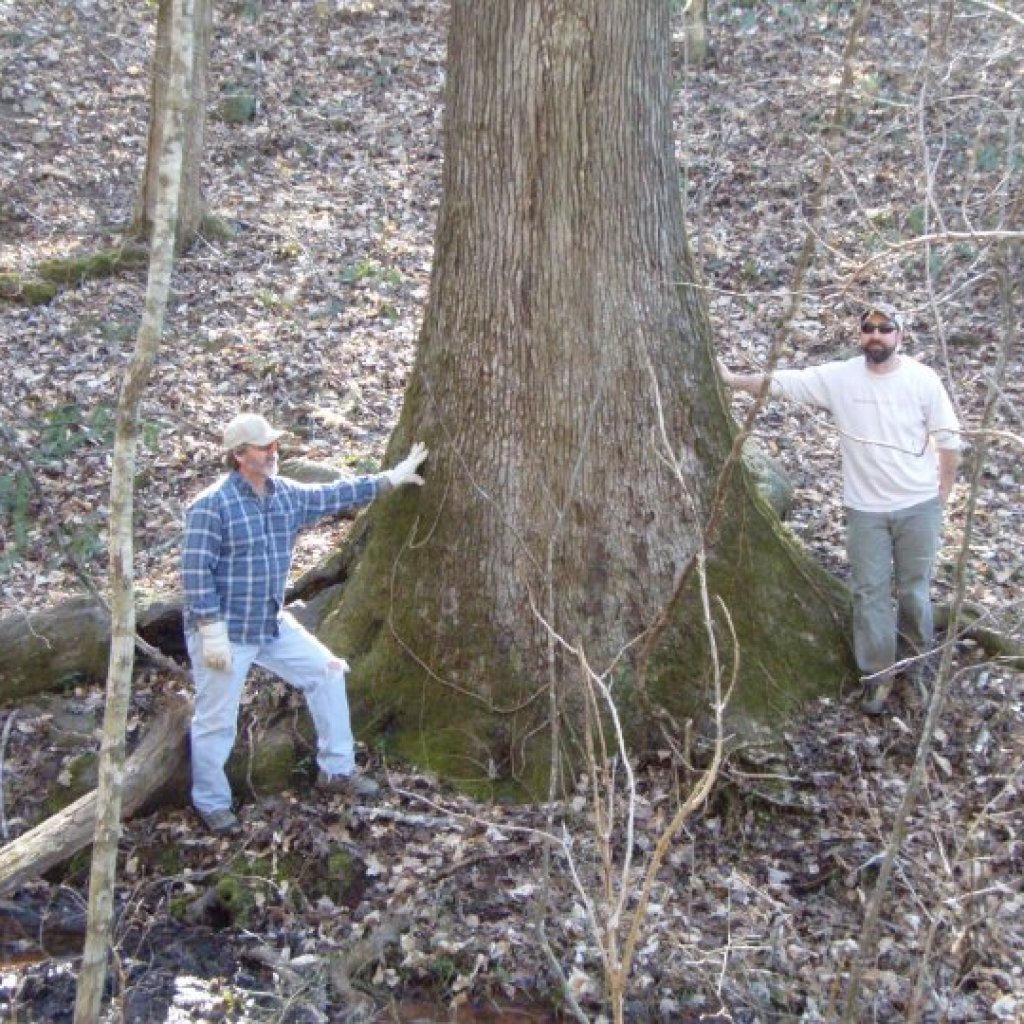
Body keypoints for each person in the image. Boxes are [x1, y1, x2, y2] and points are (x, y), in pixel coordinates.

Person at [181, 412, 429, 834]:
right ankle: (211, 802)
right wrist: (210, 630)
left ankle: (336, 770)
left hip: (269, 624)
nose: (274, 452)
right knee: (216, 721)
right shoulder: (211, 506)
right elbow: (194, 571)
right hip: (223, 632)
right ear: (240, 455)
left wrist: (391, 478)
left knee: (328, 671)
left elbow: (335, 493)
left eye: (275, 444)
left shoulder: (285, 495)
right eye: (265, 447)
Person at [718, 302, 961, 715]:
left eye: (885, 329)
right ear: (860, 335)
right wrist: (733, 379)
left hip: (918, 506)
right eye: (869, 328)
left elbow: (950, 441)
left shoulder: (922, 380)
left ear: (900, 336)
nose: (876, 336)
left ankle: (915, 671)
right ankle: (879, 675)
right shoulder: (841, 377)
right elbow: (785, 383)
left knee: (915, 593)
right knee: (870, 594)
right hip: (865, 510)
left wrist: (942, 492)